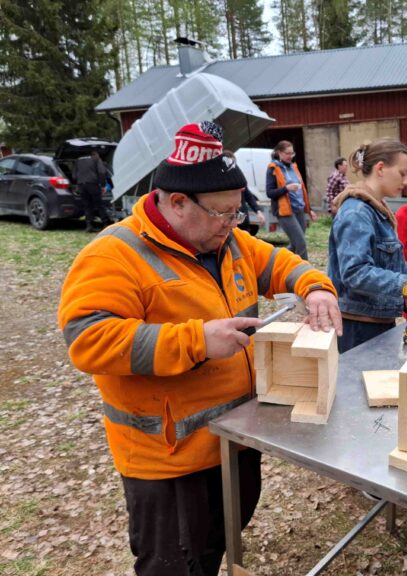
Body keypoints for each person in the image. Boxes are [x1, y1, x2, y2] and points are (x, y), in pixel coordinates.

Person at [58, 121, 342, 576]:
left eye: (236, 213)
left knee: (219, 542)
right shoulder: (114, 254)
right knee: (176, 563)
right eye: (222, 213)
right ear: (177, 203)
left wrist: (316, 287)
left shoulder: (228, 240)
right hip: (169, 460)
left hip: (234, 439)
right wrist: (195, 341)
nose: (232, 223)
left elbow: (279, 262)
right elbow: (88, 340)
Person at [327, 138, 407, 353]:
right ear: (380, 168)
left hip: (377, 320)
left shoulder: (377, 210)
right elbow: (355, 273)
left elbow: (392, 264)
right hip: (358, 326)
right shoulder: (356, 213)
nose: (406, 181)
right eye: (402, 173)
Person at [266, 140, 317, 259]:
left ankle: (275, 260)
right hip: (284, 211)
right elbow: (270, 193)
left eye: (292, 153)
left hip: (299, 209)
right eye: (287, 153)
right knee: (301, 243)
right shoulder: (273, 168)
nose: (290, 156)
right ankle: (305, 268)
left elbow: (302, 190)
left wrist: (309, 209)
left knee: (295, 244)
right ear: (279, 153)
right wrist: (287, 189)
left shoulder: (294, 167)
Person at [74, 150, 113, 232]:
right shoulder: (96, 158)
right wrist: (102, 184)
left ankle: (89, 225)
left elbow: (74, 175)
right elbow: (102, 172)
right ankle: (105, 224)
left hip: (81, 185)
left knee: (87, 206)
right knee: (99, 205)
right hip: (93, 184)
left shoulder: (78, 160)